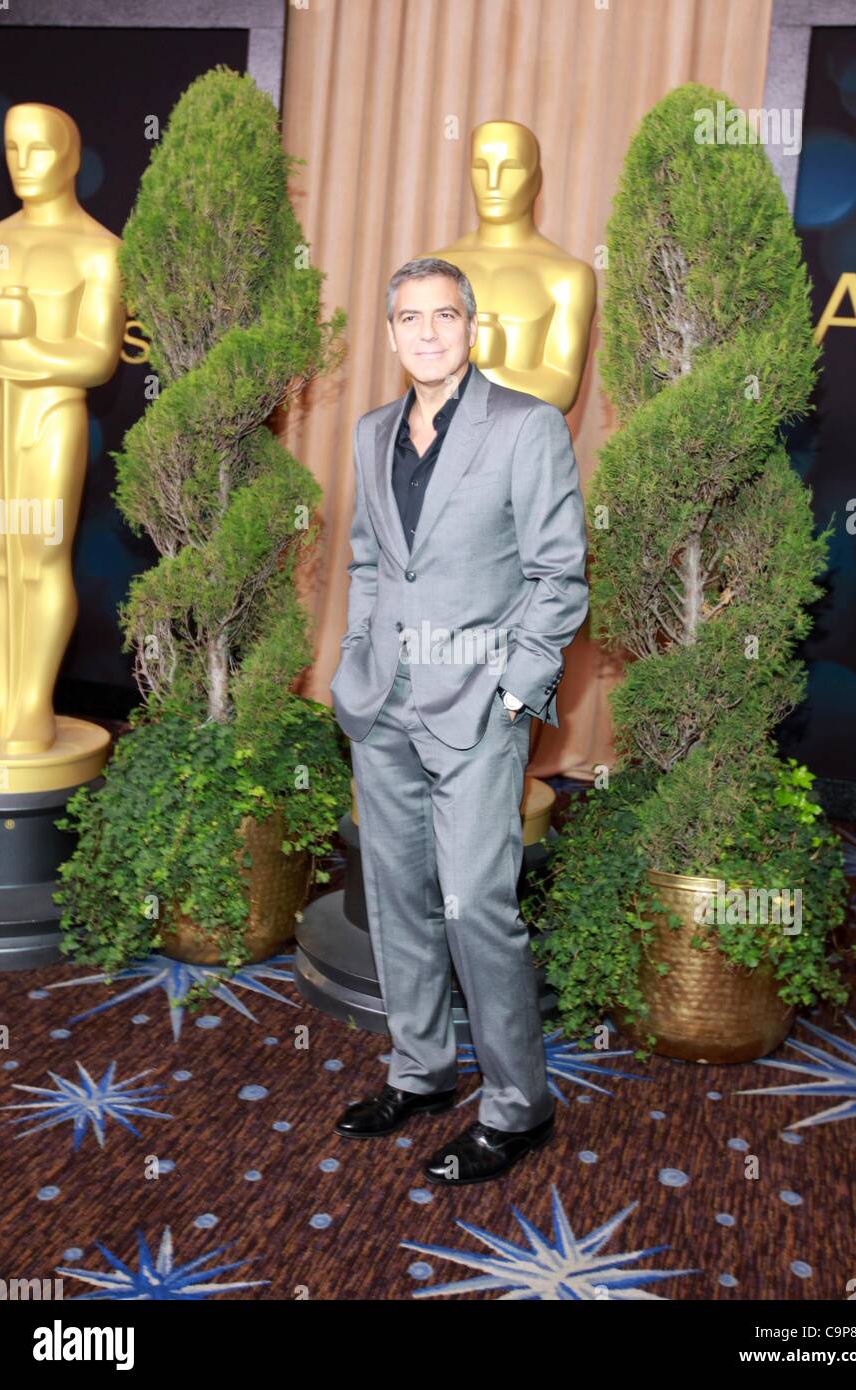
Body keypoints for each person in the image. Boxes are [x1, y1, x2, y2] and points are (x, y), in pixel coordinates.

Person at [329, 257, 589, 1185]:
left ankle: (519, 1108)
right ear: (391, 334)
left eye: (444, 314)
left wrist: (515, 693)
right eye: (409, 317)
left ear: (470, 327)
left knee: (476, 904)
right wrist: (356, 658)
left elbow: (560, 576)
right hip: (384, 705)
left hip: (479, 705)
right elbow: (368, 560)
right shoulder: (368, 434)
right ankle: (422, 1070)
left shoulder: (525, 427)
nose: (427, 332)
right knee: (397, 896)